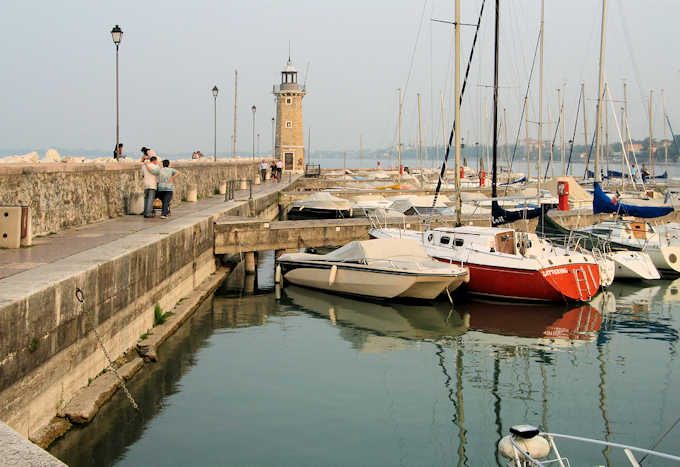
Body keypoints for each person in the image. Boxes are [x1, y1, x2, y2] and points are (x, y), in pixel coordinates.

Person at [140, 147, 158, 218]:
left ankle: (145, 212)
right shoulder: (155, 166)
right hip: (152, 184)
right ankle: (148, 213)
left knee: (146, 199)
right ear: (154, 160)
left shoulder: (143, 166)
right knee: (150, 199)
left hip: (145, 184)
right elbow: (157, 174)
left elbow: (142, 175)